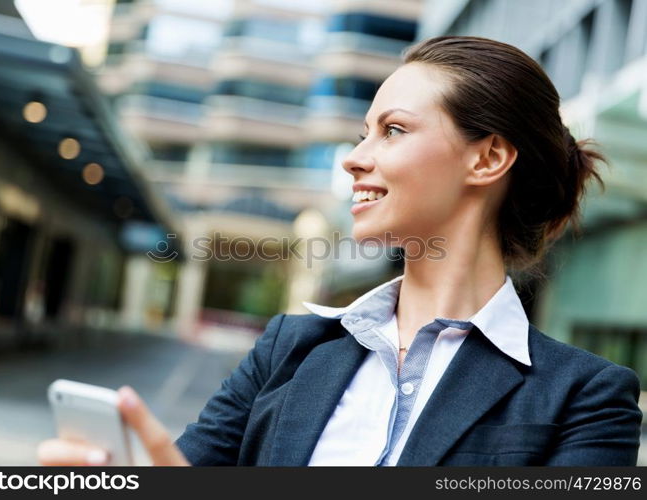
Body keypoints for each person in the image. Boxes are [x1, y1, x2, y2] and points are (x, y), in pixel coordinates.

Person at [37, 36, 643, 467]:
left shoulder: (587, 399)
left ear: (486, 158)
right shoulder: (288, 350)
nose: (354, 157)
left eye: (394, 130)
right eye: (362, 133)